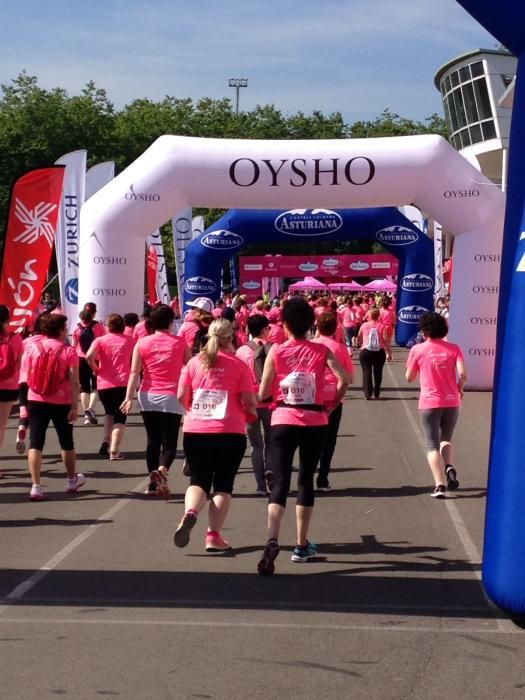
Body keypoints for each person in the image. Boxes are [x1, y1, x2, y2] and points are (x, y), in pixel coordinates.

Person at [256, 297, 350, 575]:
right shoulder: (321, 350)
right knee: (306, 478)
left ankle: (273, 538)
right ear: (311, 324)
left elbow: (262, 393)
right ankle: (300, 545)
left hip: (283, 418)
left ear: (284, 325)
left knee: (280, 481)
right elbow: (344, 379)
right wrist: (331, 404)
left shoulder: (276, 351)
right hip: (315, 419)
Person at [174, 319, 256, 552]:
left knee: (198, 480)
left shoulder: (193, 363)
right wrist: (249, 411)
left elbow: (181, 395)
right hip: (229, 430)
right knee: (223, 485)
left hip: (196, 429)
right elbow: (250, 402)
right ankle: (213, 536)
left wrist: (191, 410)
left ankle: (190, 512)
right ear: (231, 338)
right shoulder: (239, 365)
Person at [121, 304, 191, 498]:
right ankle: (161, 471)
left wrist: (128, 397)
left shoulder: (142, 343)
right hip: (172, 395)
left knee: (153, 440)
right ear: (171, 322)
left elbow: (134, 372)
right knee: (169, 442)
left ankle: (152, 484)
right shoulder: (179, 342)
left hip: (148, 395)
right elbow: (191, 366)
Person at [405, 312, 467, 498]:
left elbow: (409, 378)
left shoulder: (417, 349)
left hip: (429, 401)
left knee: (432, 445)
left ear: (424, 331)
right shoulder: (454, 348)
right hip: (452, 400)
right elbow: (463, 374)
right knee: (446, 439)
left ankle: (439, 484)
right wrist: (459, 388)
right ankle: (449, 465)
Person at [24, 313, 83, 501]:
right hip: (61, 401)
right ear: (60, 330)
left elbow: (27, 374)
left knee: (35, 442)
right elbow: (74, 382)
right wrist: (75, 406)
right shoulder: (68, 351)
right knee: (66, 441)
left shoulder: (33, 347)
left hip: (35, 398)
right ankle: (72, 480)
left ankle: (36, 486)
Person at [313, 312, 354, 491]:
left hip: (311, 396)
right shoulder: (340, 348)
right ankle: (323, 478)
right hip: (334, 397)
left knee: (310, 439)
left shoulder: (310, 345)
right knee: (329, 440)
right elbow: (350, 377)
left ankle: (308, 475)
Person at [86, 314, 134, 459]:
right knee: (120, 417)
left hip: (104, 383)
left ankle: (106, 440)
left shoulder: (100, 340)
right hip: (123, 382)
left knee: (109, 413)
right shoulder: (130, 341)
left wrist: (95, 369)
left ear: (108, 326)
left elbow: (89, 356)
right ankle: (114, 450)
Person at [235, 314, 273, 495]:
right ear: (265, 329)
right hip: (270, 401)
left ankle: (260, 485)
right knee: (271, 442)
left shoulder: (241, 352)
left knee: (256, 445)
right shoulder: (274, 349)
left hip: (249, 401)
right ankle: (271, 470)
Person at [0, 306, 24, 476]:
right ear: (8, 319)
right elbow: (20, 364)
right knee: (1, 426)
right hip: (8, 387)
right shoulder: (15, 339)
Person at [72, 308, 105, 425]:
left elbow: (73, 346)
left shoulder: (76, 328)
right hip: (95, 358)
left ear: (81, 318)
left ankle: (86, 414)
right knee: (96, 386)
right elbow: (103, 343)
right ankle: (91, 409)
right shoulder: (99, 327)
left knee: (84, 387)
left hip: (80, 359)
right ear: (92, 317)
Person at [356, 308, 388, 400]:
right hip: (379, 351)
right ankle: (376, 392)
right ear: (378, 316)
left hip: (366, 351)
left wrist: (361, 342)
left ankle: (367, 393)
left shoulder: (364, 325)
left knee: (367, 372)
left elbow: (359, 336)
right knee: (378, 372)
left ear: (369, 316)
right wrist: (389, 352)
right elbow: (385, 340)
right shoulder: (382, 326)